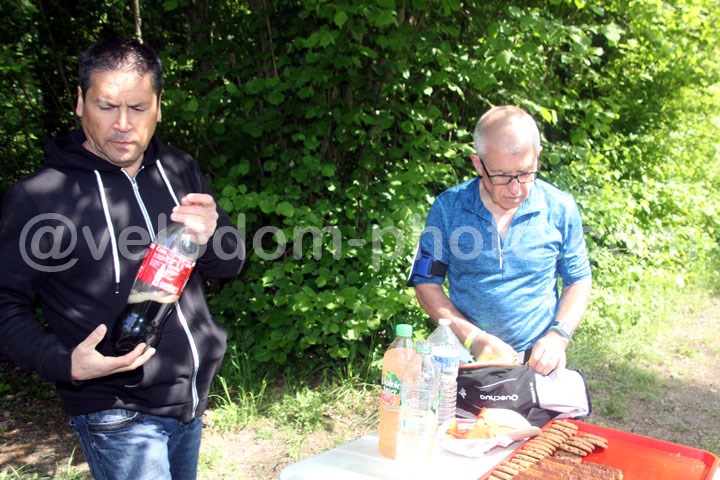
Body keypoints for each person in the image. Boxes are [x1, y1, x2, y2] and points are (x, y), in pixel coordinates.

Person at [0, 37, 245, 479]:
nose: (123, 124)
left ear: (159, 108)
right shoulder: (40, 198)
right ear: (80, 103)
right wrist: (63, 363)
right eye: (107, 106)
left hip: (189, 401)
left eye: (138, 107)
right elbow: (4, 304)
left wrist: (214, 236)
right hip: (116, 409)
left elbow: (230, 265)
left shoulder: (178, 169)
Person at [407, 105, 592, 376]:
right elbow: (425, 281)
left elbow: (578, 280)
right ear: (478, 164)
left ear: (538, 156)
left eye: (526, 173)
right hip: (466, 359)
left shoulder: (560, 208)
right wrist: (474, 338)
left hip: (537, 363)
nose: (515, 189)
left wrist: (558, 336)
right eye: (502, 176)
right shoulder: (447, 209)